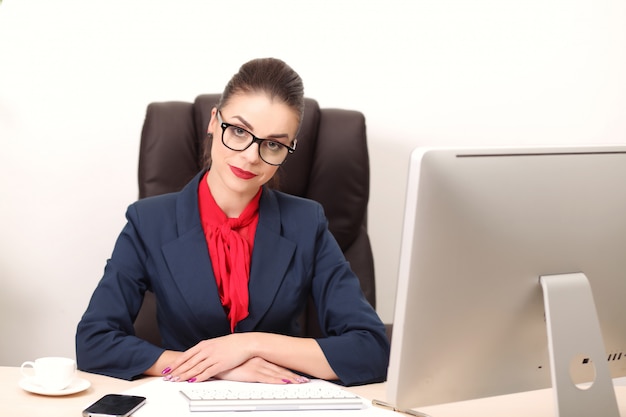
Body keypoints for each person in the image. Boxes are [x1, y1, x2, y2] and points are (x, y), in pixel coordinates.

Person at [75, 58, 389, 386]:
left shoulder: (306, 223)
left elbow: (371, 350)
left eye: (273, 144)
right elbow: (94, 341)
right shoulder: (148, 221)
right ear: (214, 121)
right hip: (181, 400)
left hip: (277, 404)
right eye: (239, 131)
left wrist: (247, 345)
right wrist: (215, 366)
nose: (251, 156)